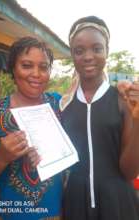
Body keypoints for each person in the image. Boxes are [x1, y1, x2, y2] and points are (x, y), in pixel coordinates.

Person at [0, 36, 62, 220]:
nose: (36, 74)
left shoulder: (60, 106)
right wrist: (1, 158)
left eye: (44, 67)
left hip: (56, 214)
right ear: (13, 68)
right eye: (27, 65)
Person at [60, 16, 139, 220]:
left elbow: (130, 172)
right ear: (72, 54)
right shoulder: (63, 105)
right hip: (75, 203)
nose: (88, 57)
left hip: (118, 203)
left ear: (107, 51)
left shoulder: (122, 99)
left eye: (97, 48)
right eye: (79, 50)